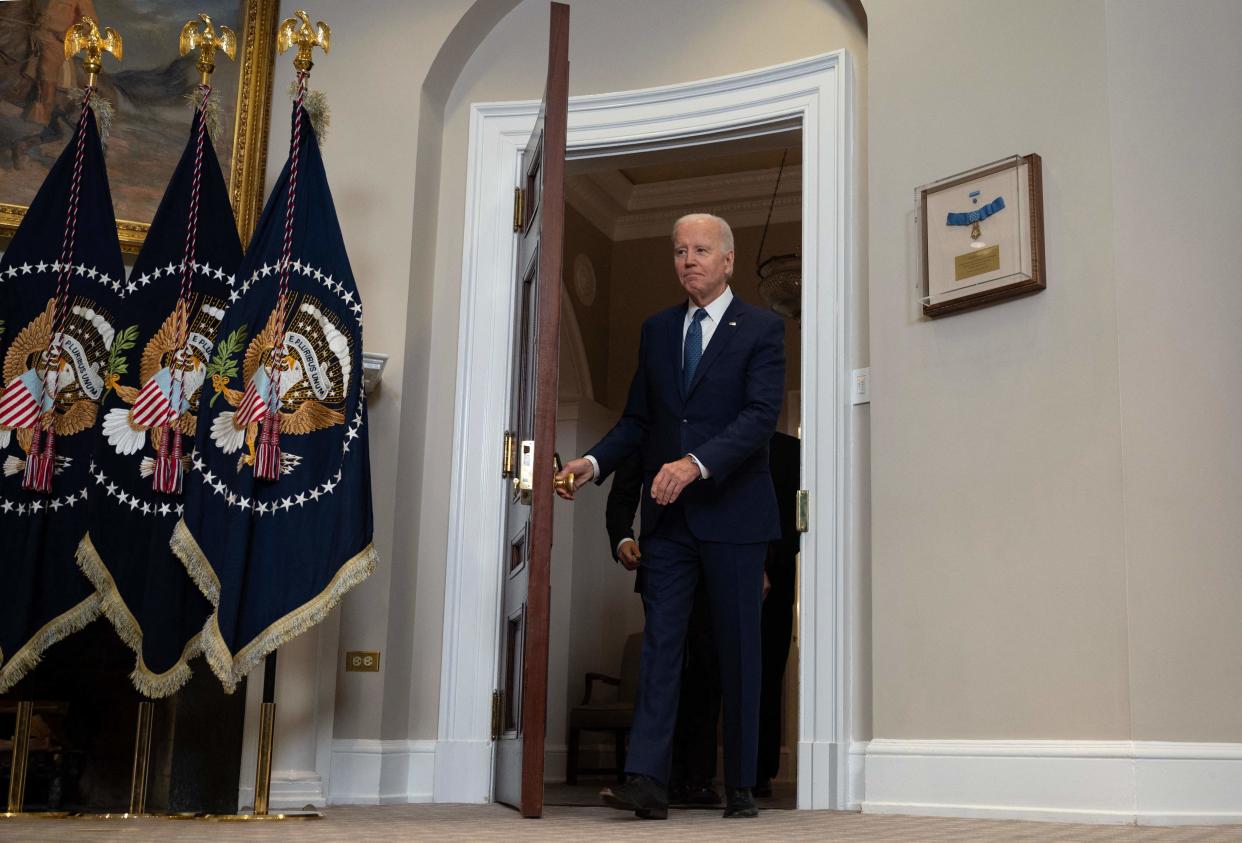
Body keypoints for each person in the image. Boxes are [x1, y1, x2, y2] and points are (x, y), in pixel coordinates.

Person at [556, 212, 785, 820]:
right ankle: (647, 781)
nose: (689, 260)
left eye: (702, 249)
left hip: (735, 516)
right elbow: (639, 419)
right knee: (661, 648)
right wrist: (593, 460)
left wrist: (695, 463)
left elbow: (761, 417)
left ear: (728, 260)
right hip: (670, 523)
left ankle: (739, 784)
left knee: (738, 653)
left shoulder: (762, 328)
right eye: (680, 250)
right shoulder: (658, 330)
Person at [606, 451, 722, 807]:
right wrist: (623, 539)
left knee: (706, 666)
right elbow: (622, 494)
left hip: (714, 565)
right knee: (662, 664)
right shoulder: (648, 424)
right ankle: (653, 777)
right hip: (661, 561)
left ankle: (699, 779)